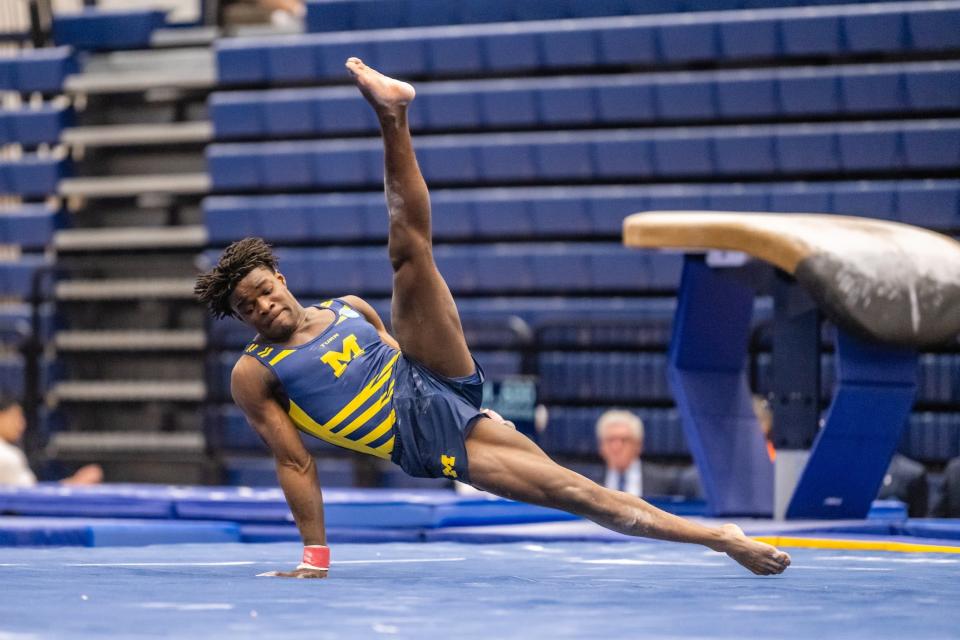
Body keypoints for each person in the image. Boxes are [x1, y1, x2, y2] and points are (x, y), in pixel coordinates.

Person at [194, 58, 791, 579]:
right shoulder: (256, 372)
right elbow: (294, 460)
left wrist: (468, 405)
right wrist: (314, 555)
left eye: (265, 292)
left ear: (282, 280)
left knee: (410, 253)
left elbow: (401, 357)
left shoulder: (346, 308)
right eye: (247, 308)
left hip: (431, 380)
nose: (263, 308)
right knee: (578, 493)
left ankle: (392, 114)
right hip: (422, 435)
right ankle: (722, 538)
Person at [595, 409, 701, 499]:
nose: (616, 447)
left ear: (638, 445)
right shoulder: (589, 483)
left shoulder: (665, 482)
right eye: (610, 440)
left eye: (624, 440)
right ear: (601, 446)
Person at [0, 395, 102, 486]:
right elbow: (32, 497)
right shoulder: (7, 457)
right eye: (15, 417)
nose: (21, 424)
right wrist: (74, 484)